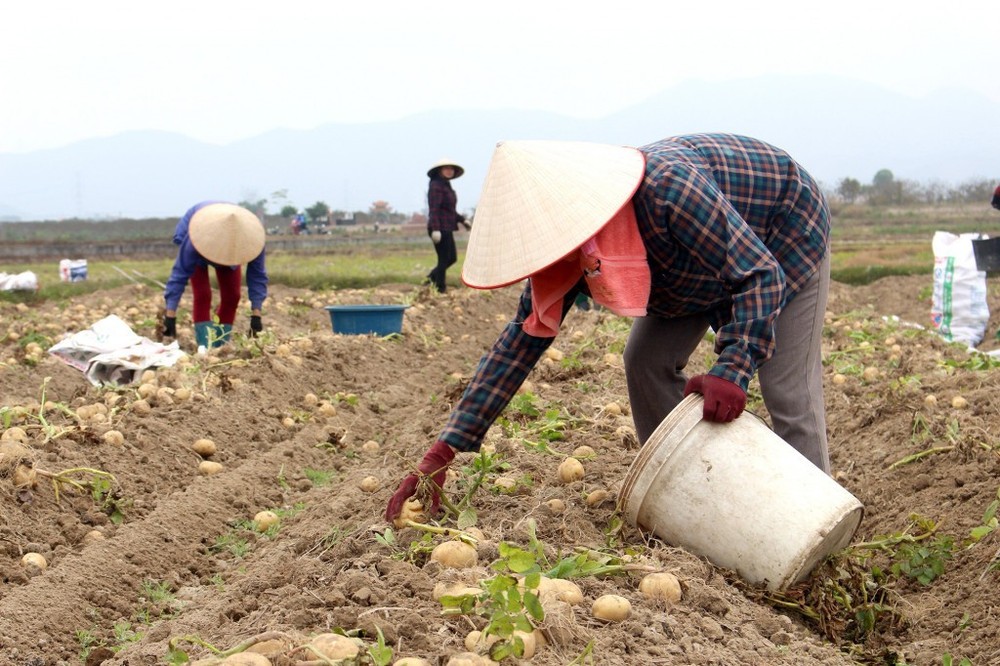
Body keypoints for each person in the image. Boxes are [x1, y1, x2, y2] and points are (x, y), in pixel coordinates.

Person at [386, 133, 832, 521]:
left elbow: (758, 274)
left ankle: (814, 522)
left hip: (781, 237)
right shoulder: (571, 250)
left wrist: (733, 369)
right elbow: (518, 346)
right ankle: (685, 495)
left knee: (786, 390)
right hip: (692, 271)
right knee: (644, 360)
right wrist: (442, 453)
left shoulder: (669, 188)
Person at [162, 201, 268, 350]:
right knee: (203, 294)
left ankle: (220, 345)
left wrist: (256, 314)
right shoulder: (194, 239)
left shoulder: (253, 239)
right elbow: (179, 274)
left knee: (232, 296)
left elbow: (257, 276)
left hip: (231, 241)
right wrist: (170, 315)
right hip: (200, 237)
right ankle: (204, 346)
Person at [425, 158, 470, 293]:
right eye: (446, 168)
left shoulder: (446, 186)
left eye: (451, 169)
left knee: (451, 258)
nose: (449, 171)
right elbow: (434, 209)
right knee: (444, 258)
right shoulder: (436, 186)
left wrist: (463, 220)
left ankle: (430, 279)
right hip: (439, 227)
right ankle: (440, 287)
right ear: (440, 170)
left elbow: (449, 211)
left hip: (446, 226)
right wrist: (436, 229)